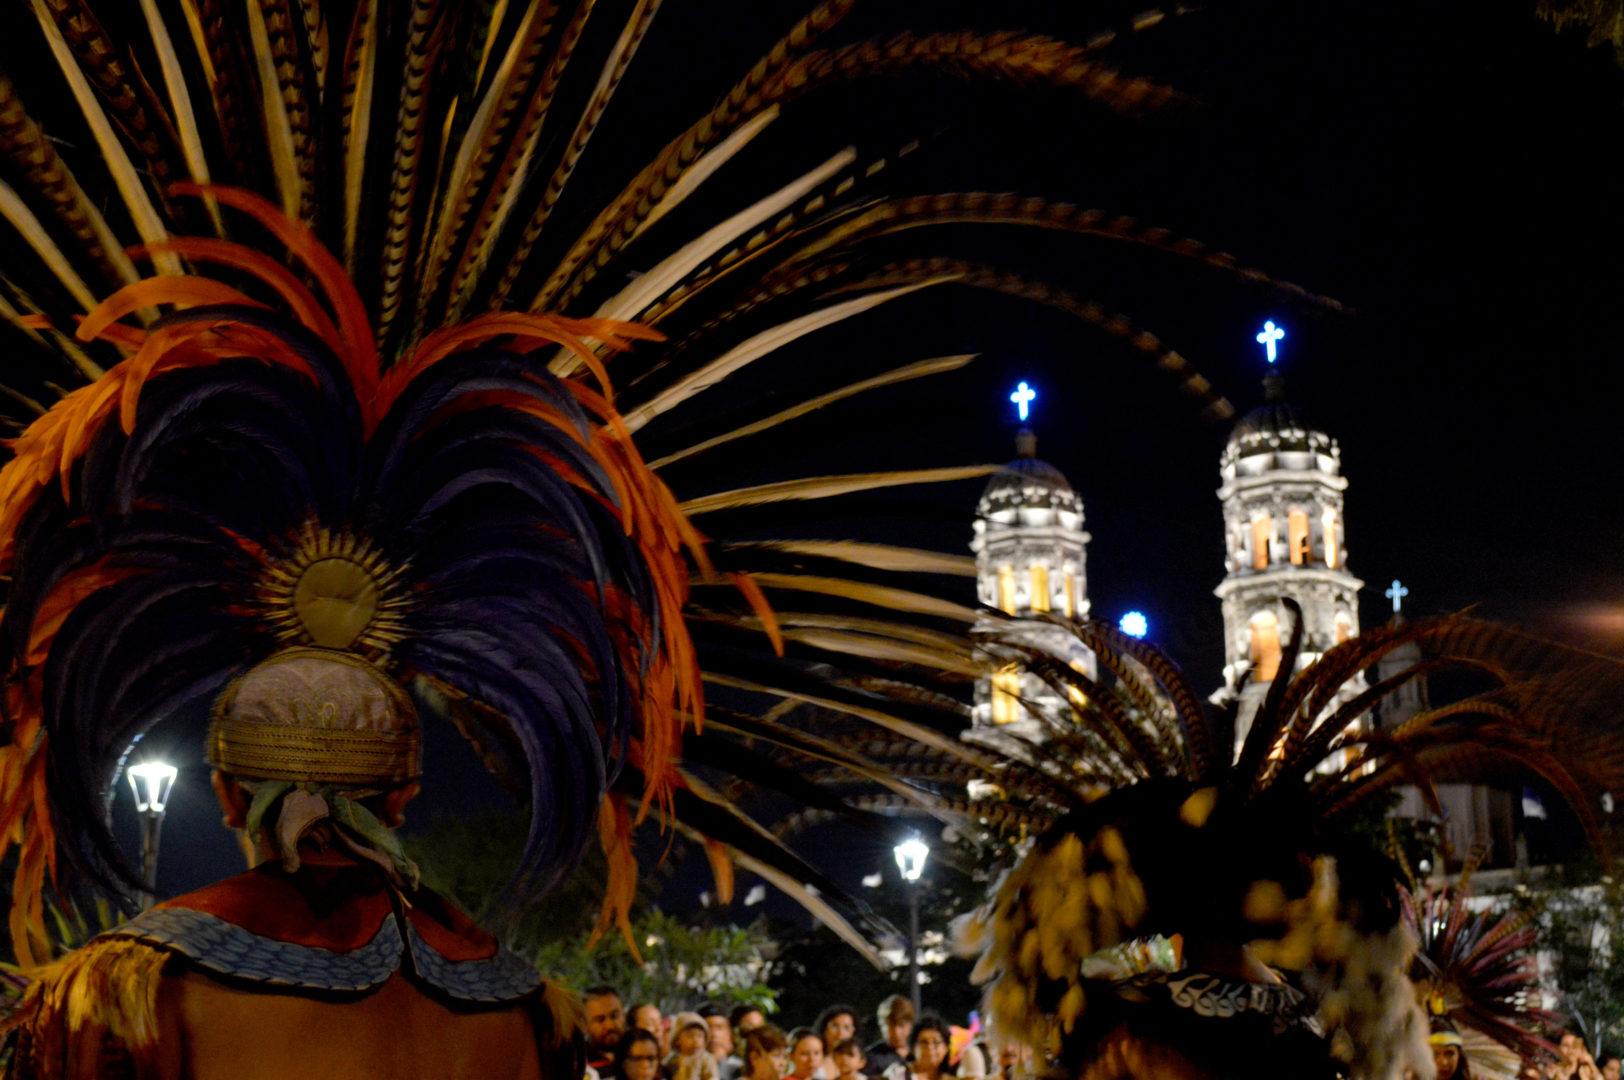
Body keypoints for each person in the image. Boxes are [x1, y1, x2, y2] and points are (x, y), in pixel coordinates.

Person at [883, 1016, 953, 1080]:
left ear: (946, 1048)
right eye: (924, 1042)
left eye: (936, 1042)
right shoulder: (898, 1074)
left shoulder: (951, 1078)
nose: (930, 1047)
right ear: (913, 1047)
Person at [866, 997, 916, 1078]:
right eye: (891, 1026)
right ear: (882, 1026)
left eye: (901, 1025)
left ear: (910, 1025)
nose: (897, 1032)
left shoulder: (919, 1053)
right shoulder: (871, 1058)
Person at [587, 989, 630, 1074]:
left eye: (614, 1016)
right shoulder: (579, 1067)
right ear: (585, 1025)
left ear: (624, 1016)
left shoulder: (642, 1057)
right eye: (600, 1020)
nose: (609, 1026)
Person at [670, 1013, 721, 1080]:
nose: (695, 1040)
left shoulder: (706, 1059)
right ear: (677, 1040)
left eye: (700, 1036)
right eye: (690, 1035)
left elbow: (713, 1077)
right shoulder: (674, 1060)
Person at [721, 1006, 767, 1080]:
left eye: (762, 1029)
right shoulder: (729, 1068)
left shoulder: (776, 1063)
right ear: (734, 1035)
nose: (758, 1036)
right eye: (747, 1031)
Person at [815, 1007, 860, 1080]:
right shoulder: (814, 1059)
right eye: (835, 1026)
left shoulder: (857, 1060)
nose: (840, 1033)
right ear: (824, 1029)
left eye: (846, 1027)